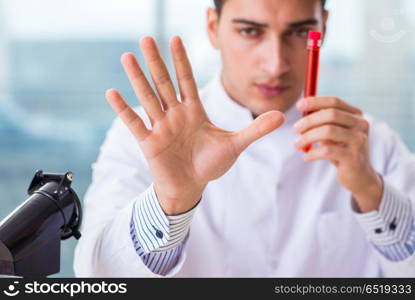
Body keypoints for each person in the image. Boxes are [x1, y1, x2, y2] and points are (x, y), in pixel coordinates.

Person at [73, 0, 415, 277]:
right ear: (213, 28)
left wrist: (371, 192)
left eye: (298, 32)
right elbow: (98, 275)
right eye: (250, 31)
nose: (275, 64)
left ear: (322, 27)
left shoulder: (370, 143)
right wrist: (171, 200)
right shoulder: (146, 138)